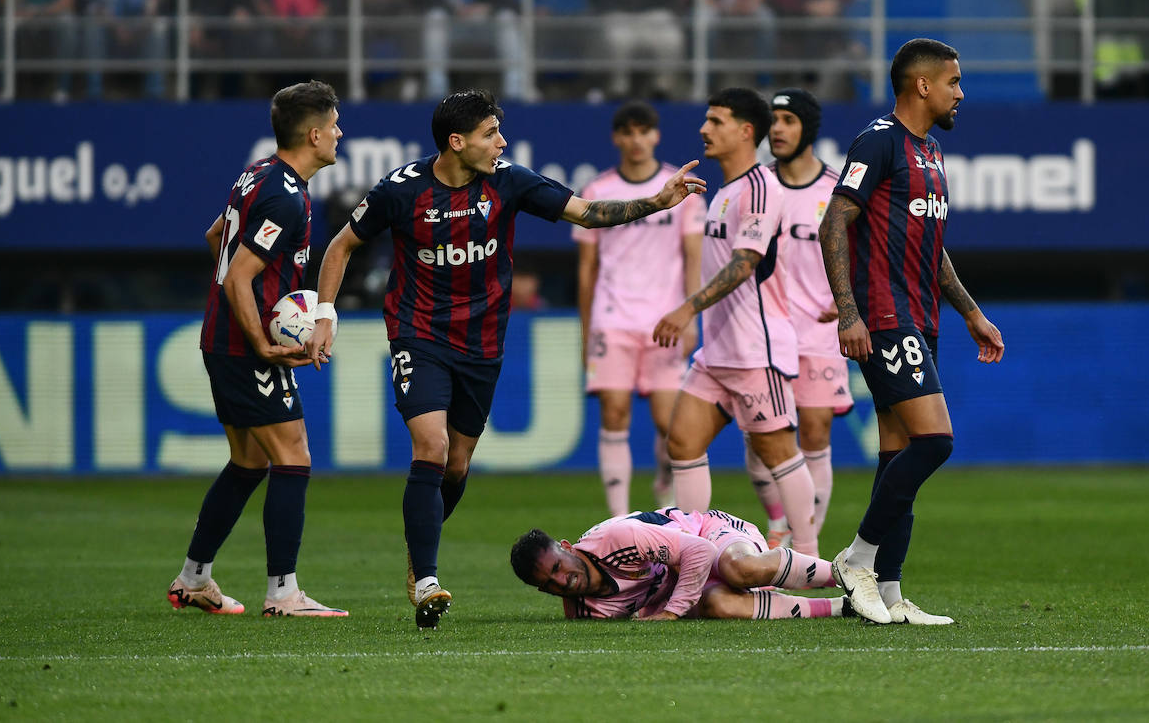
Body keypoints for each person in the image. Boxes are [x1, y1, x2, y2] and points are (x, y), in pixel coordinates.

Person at [310, 89, 706, 629]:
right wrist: (326, 313)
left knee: (457, 463)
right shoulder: (401, 190)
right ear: (457, 142)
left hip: (483, 342)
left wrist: (658, 202)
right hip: (418, 333)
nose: (501, 142)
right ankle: (426, 577)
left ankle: (418, 546)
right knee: (432, 445)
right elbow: (340, 245)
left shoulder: (510, 180)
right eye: (490, 134)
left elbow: (586, 213)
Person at [819, 38, 1004, 626]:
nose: (960, 93)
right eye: (954, 81)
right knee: (936, 441)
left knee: (896, 453)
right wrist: (849, 313)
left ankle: (889, 593)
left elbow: (933, 244)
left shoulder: (931, 153)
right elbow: (833, 224)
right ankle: (858, 560)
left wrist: (971, 311)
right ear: (922, 85)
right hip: (884, 315)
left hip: (922, 316)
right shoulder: (878, 140)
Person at [167, 80, 348, 619]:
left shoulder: (258, 174)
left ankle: (194, 579)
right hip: (245, 348)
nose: (340, 134)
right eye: (335, 125)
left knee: (248, 461)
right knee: (293, 456)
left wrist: (251, 307)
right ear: (313, 135)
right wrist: (263, 342)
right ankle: (283, 593)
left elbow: (216, 238)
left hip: (224, 339)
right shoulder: (283, 194)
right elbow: (238, 276)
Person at [651, 88, 820, 559]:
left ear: (746, 131)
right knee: (682, 440)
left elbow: (745, 262)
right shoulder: (725, 190)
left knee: (778, 453)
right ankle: (693, 559)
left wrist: (686, 309)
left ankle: (808, 561)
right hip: (718, 351)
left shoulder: (762, 187)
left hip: (755, 350)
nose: (704, 129)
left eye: (716, 121)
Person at [575, 102, 706, 518]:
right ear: (617, 138)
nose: (635, 140)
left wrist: (690, 315)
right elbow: (586, 269)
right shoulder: (596, 191)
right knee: (614, 412)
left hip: (664, 320)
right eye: (627, 132)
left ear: (655, 135)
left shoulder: (680, 187)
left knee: (671, 424)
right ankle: (616, 520)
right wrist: (585, 331)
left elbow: (693, 257)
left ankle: (665, 483)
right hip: (612, 320)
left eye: (643, 131)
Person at [740, 89, 853, 550]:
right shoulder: (754, 186)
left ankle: (804, 548)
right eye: (773, 121)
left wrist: (851, 302)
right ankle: (777, 525)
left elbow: (862, 252)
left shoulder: (837, 189)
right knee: (760, 437)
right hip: (764, 332)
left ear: (808, 127)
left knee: (816, 431)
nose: (777, 130)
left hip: (821, 330)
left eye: (787, 120)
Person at [510, 507, 850, 621]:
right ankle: (843, 607)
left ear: (567, 547)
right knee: (718, 605)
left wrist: (671, 613)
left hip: (707, 534)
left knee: (737, 568)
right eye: (550, 584)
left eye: (558, 567)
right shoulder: (583, 611)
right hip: (682, 578)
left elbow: (700, 552)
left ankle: (848, 575)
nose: (563, 582)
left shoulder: (617, 538)